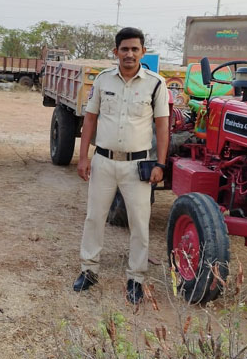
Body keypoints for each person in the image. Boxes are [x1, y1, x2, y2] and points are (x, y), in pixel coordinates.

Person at [72, 27, 169, 304]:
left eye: (134, 49)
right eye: (124, 49)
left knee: (139, 223)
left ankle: (135, 278)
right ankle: (88, 271)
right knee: (94, 217)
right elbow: (90, 119)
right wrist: (83, 158)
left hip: (137, 165)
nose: (129, 54)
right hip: (103, 161)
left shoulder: (155, 84)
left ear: (143, 52)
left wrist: (160, 163)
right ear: (115, 52)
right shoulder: (103, 81)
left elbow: (162, 127)